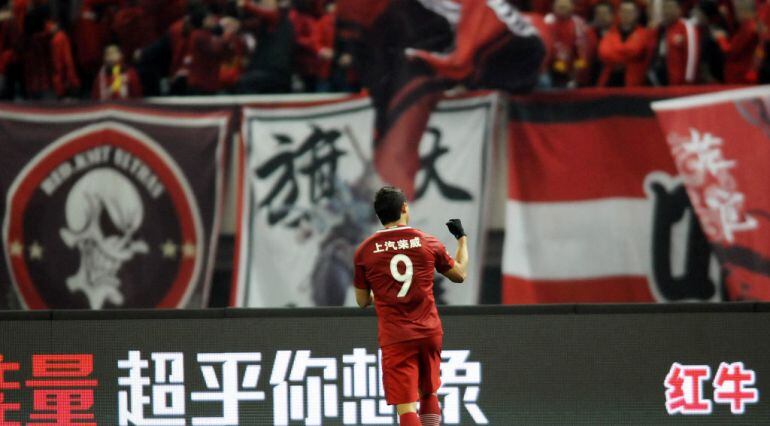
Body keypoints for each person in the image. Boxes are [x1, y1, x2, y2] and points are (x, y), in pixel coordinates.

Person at [353, 186, 469, 426]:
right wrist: (462, 239)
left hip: (396, 337)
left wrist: (383, 295)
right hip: (429, 331)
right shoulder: (427, 242)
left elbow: (362, 301)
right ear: (404, 207)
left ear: (379, 215)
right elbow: (460, 274)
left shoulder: (365, 251)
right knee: (429, 392)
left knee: (406, 405)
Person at [648, 0, 700, 85]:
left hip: (680, 81)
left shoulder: (687, 27)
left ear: (679, 10)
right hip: (660, 79)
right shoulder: (659, 29)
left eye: (670, 7)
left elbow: (692, 57)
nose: (666, 11)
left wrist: (688, 81)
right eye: (664, 8)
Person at [598, 0, 650, 85]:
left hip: (635, 81)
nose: (626, 15)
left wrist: (617, 54)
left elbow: (637, 51)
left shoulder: (644, 34)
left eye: (629, 12)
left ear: (637, 14)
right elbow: (604, 53)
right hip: (610, 80)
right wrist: (627, 54)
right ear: (618, 14)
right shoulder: (610, 33)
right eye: (623, 11)